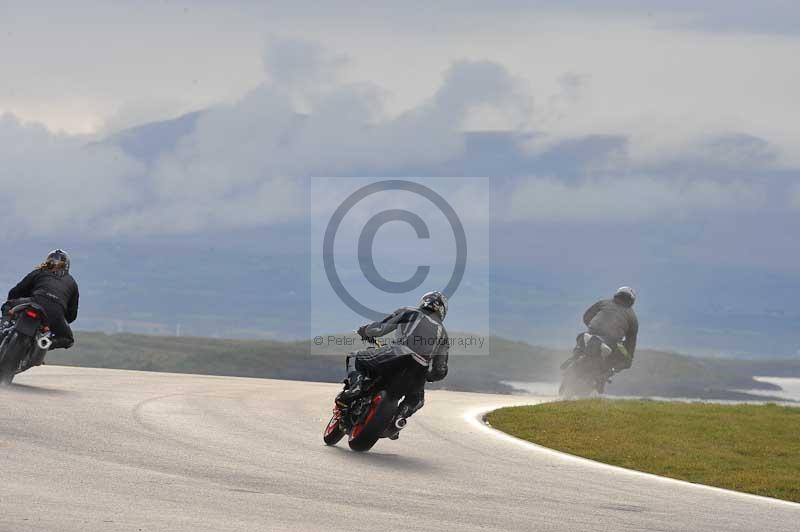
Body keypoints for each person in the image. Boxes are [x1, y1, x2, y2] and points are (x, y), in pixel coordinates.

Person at [339, 291, 450, 429]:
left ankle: (355, 388)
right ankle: (399, 419)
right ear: (442, 311)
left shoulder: (409, 311)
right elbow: (440, 370)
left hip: (397, 354)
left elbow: (379, 329)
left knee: (355, 357)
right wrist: (428, 376)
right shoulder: (444, 334)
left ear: (424, 302)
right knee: (417, 399)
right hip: (420, 368)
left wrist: (364, 330)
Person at [4, 250, 79, 363]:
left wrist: (16, 306)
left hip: (35, 301)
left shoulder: (40, 271)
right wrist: (56, 321)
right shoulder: (72, 283)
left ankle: (3, 327)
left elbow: (15, 292)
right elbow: (72, 315)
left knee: (8, 305)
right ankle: (41, 345)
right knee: (68, 339)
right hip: (55, 313)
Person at [577, 286, 638, 374]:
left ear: (617, 295)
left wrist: (592, 327)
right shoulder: (633, 317)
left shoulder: (604, 302)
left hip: (592, 332)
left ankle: (575, 358)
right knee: (624, 359)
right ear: (631, 301)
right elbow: (631, 342)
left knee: (581, 339)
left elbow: (586, 316)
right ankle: (607, 372)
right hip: (612, 340)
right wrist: (629, 359)